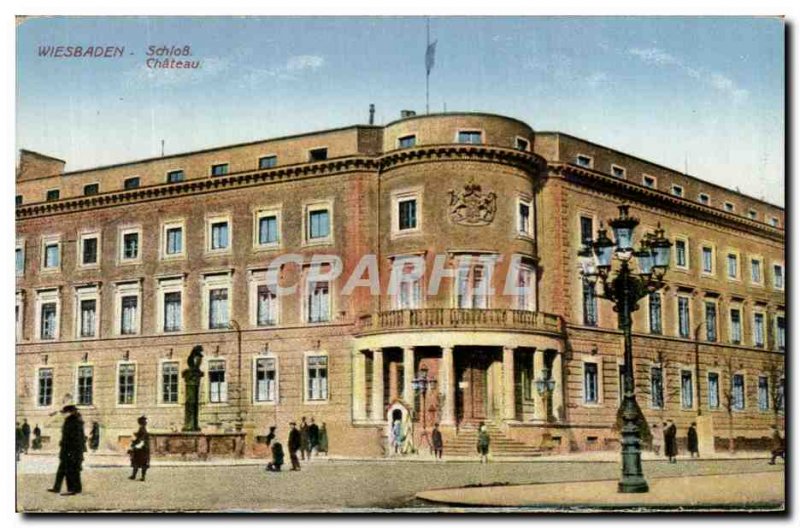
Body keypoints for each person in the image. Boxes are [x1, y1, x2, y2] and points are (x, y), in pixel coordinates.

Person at [48, 405, 86, 495]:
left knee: (72, 470)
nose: (63, 414)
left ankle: (74, 489)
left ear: (70, 412)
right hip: (68, 449)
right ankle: (57, 488)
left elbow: (76, 438)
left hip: (72, 450)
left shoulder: (74, 422)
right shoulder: (71, 421)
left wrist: (70, 449)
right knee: (63, 469)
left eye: (64, 413)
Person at [128, 416, 150, 482]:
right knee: (141, 463)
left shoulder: (142, 429)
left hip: (141, 449)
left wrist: (135, 446)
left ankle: (137, 476)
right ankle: (138, 476)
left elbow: (141, 440)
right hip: (144, 449)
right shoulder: (143, 429)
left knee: (137, 462)